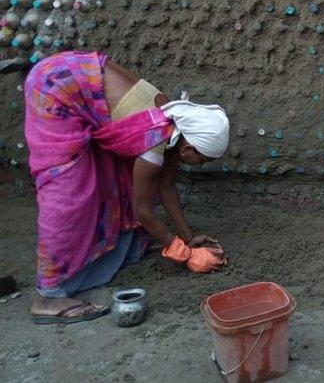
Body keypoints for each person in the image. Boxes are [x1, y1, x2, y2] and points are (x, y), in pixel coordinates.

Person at [24, 50, 231, 324]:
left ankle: (121, 249)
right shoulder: (156, 139)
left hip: (82, 83)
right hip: (55, 87)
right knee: (68, 193)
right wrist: (183, 254)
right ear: (188, 148)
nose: (201, 164)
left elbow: (166, 185)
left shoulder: (177, 126)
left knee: (113, 177)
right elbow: (143, 211)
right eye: (202, 159)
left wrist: (187, 235)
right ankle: (47, 295)